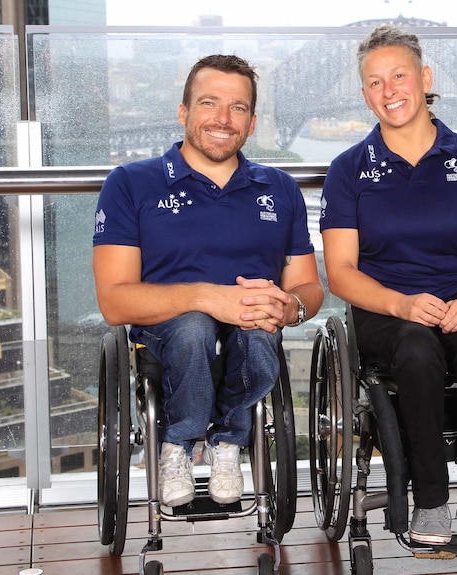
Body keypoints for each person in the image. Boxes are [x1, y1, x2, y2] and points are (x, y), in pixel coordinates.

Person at [93, 54, 323, 507]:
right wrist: (206, 297)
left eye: (237, 108)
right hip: (167, 335)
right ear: (184, 113)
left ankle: (228, 444)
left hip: (251, 332)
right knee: (195, 324)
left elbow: (309, 287)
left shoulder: (280, 188)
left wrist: (289, 307)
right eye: (209, 103)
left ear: (252, 122)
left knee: (258, 330)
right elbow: (114, 303)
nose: (223, 119)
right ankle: (177, 443)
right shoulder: (130, 183)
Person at [319, 25, 457, 545]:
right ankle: (428, 499)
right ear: (366, 95)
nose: (389, 91)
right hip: (386, 307)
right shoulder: (347, 171)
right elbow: (340, 272)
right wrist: (401, 304)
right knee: (415, 351)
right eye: (375, 82)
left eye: (399, 76)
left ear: (424, 78)